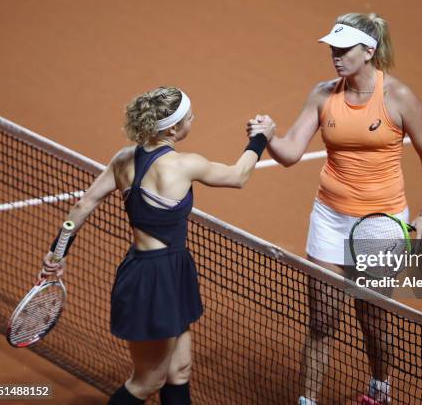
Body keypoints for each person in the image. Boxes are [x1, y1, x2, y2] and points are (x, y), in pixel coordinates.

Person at [248, 13, 422, 404]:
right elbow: (289, 154)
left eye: (344, 49)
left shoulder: (397, 97)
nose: (335, 56)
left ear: (368, 51)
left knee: (372, 317)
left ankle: (379, 389)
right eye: (333, 49)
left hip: (382, 224)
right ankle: (307, 402)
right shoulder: (323, 95)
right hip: (330, 219)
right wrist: (268, 137)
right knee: (321, 321)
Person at [41, 86, 275, 405]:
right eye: (190, 116)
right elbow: (238, 176)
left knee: (180, 369)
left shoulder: (124, 159)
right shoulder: (184, 164)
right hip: (152, 280)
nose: (195, 119)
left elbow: (82, 207)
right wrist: (260, 137)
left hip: (167, 270)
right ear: (174, 128)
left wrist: (58, 251)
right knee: (146, 382)